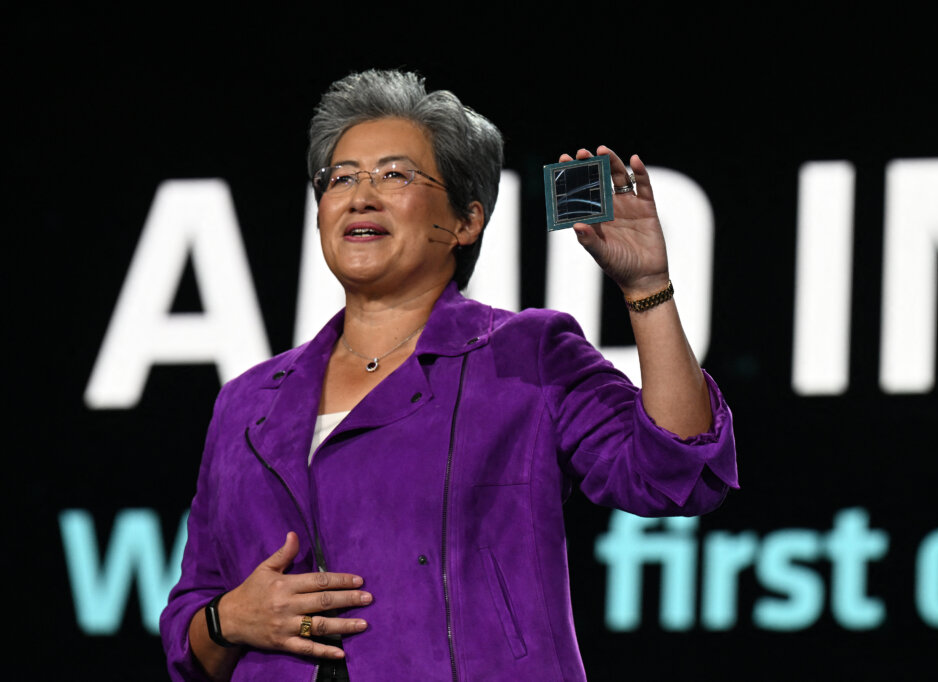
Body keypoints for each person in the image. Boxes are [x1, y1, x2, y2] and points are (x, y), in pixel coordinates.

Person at [161, 69, 738, 682]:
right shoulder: (246, 402)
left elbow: (675, 471)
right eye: (341, 178)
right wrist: (229, 620)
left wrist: (646, 287)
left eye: (394, 175)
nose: (360, 195)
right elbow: (189, 633)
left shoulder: (525, 354)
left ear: (466, 221)